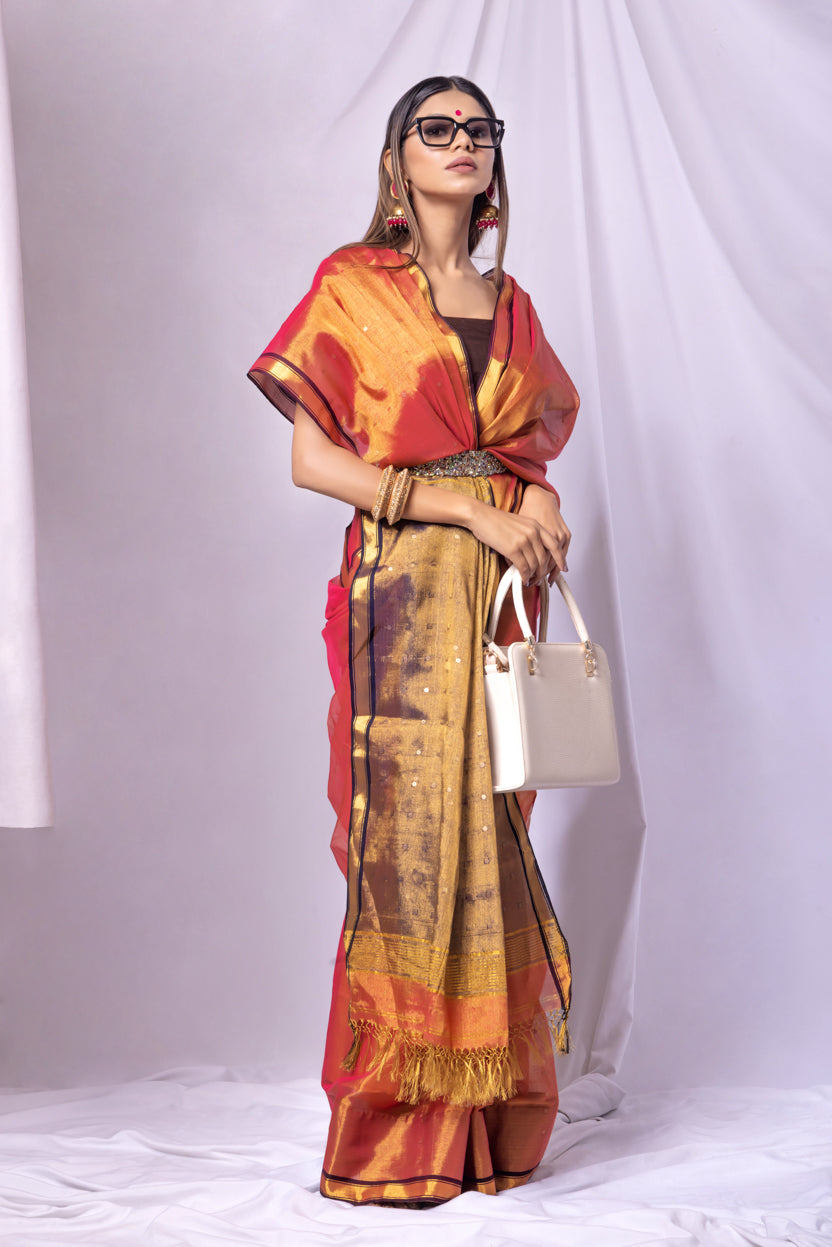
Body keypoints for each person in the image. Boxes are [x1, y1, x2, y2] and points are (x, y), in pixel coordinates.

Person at [247, 74, 579, 1208]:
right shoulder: (352, 286)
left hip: (501, 597)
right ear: (398, 160)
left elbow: (525, 450)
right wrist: (467, 512)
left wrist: (538, 502)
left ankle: (489, 1124)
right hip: (398, 595)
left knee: (492, 826)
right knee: (402, 842)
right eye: (436, 129)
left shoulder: (511, 301)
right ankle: (396, 1127)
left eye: (478, 130)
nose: (460, 143)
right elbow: (314, 461)